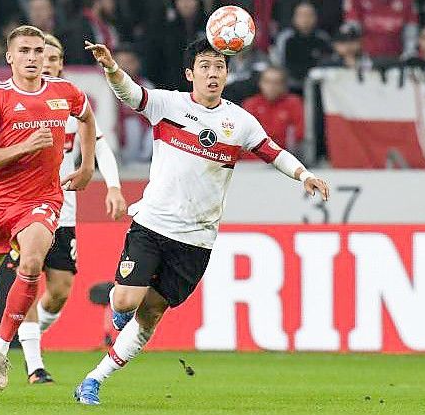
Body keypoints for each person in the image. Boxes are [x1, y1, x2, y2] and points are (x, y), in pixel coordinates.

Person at [76, 37, 329, 405]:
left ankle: (94, 380)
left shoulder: (239, 121)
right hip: (152, 225)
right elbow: (129, 94)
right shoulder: (168, 104)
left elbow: (272, 152)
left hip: (196, 240)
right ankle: (117, 302)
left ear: (227, 75)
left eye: (220, 68)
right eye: (206, 67)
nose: (213, 74)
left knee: (151, 315)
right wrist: (112, 67)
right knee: (129, 302)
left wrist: (304, 175)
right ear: (190, 73)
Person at [0, 33, 126, 384]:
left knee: (34, 263)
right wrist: (23, 148)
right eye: (24, 51)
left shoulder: (64, 92)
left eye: (39, 51)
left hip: (42, 200)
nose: (33, 57)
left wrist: (85, 169)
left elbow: (87, 119)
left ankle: (2, 351)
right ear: (9, 57)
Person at [342, 0, 418, 60]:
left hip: (398, 58)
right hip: (365, 59)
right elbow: (352, 27)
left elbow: (411, 30)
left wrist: (408, 55)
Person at [242, 66, 305, 155]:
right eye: (267, 82)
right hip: (253, 159)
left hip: (283, 157)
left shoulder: (293, 103)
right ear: (260, 84)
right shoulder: (251, 104)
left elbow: (300, 134)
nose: (271, 87)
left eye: (276, 83)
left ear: (284, 85)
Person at [271, 1, 331, 91]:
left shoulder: (322, 37)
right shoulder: (285, 38)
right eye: (301, 15)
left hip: (318, 86)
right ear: (294, 18)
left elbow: (328, 63)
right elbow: (280, 64)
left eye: (309, 15)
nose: (306, 19)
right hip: (291, 86)